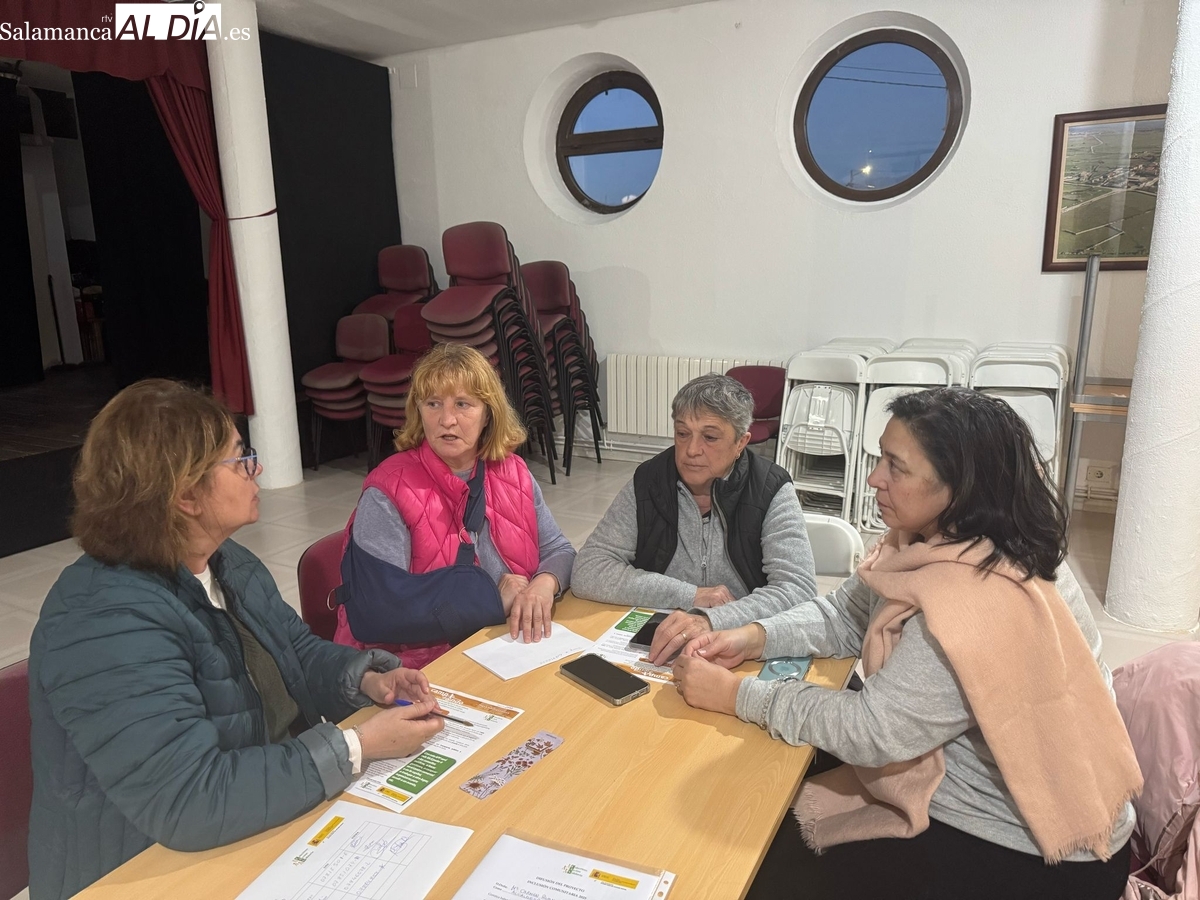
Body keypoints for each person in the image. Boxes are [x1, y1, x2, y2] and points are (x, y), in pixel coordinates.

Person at [673, 387, 1141, 900]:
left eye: (896, 467)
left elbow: (873, 732)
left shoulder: (975, 597)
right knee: (764, 785)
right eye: (881, 458)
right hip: (987, 795)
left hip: (1038, 852)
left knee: (754, 854)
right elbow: (845, 613)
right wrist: (753, 637)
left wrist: (736, 695)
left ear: (959, 487)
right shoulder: (933, 538)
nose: (875, 478)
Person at [27, 380, 444, 900]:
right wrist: (355, 746)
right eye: (240, 459)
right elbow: (187, 800)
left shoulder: (226, 561)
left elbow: (294, 653)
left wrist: (366, 680)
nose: (256, 469)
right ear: (185, 495)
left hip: (255, 814)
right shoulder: (103, 621)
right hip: (146, 869)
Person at [335, 343, 575, 665]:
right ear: (419, 411)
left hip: (504, 646)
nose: (447, 420)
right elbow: (379, 610)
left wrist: (543, 585)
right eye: (433, 404)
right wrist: (489, 600)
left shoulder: (514, 472)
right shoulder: (388, 491)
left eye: (463, 404)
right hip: (415, 666)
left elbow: (559, 550)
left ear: (488, 413)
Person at [571, 372, 816, 665]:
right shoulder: (649, 481)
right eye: (682, 433)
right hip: (661, 641)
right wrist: (691, 595)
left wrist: (712, 619)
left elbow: (798, 591)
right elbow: (588, 570)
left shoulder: (769, 488)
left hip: (741, 646)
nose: (691, 450)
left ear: (741, 442)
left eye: (710, 437)